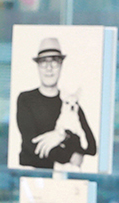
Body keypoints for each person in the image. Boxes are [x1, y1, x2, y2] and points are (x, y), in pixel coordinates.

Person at [16, 36, 98, 169]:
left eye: (54, 61)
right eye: (43, 62)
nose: (49, 68)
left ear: (61, 65)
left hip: (64, 178)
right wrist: (70, 156)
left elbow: (91, 148)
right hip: (32, 175)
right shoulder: (26, 99)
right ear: (38, 66)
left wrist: (63, 135)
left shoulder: (71, 104)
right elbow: (32, 145)